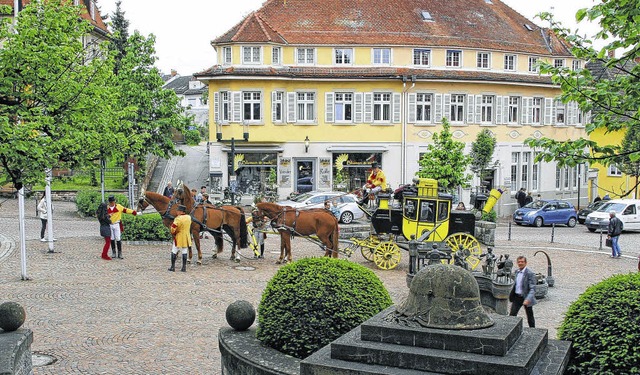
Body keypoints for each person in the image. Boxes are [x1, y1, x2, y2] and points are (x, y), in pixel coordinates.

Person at [509, 256, 537, 328]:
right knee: (512, 315)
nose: (520, 263)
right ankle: (510, 328)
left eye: (522, 262)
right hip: (517, 297)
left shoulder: (530, 273)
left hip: (526, 297)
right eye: (519, 262)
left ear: (525, 263)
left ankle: (532, 329)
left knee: (529, 315)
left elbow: (533, 288)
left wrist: (528, 299)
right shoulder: (517, 272)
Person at [169, 205, 192, 272]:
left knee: (174, 250)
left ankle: (172, 267)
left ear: (180, 211)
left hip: (179, 236)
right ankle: (184, 267)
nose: (177, 212)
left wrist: (173, 232)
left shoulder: (178, 219)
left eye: (178, 211)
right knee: (184, 251)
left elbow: (173, 228)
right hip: (186, 236)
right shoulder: (189, 217)